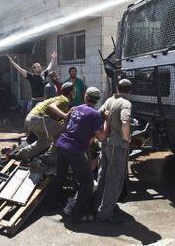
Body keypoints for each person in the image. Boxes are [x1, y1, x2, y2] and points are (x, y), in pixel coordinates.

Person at [54, 87, 106, 222]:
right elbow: (100, 137)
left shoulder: (75, 108)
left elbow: (66, 125)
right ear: (97, 100)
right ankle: (78, 215)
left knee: (60, 176)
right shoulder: (95, 115)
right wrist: (106, 121)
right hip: (74, 149)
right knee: (87, 183)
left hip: (61, 144)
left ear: (85, 96)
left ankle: (54, 204)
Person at [95, 79, 132, 222]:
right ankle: (105, 213)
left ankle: (98, 205)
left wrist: (102, 132)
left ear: (117, 88)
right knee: (114, 180)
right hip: (117, 146)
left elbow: (98, 114)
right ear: (130, 90)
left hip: (106, 144)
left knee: (103, 175)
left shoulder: (110, 100)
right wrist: (126, 138)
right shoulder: (125, 103)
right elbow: (125, 122)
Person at [14, 82, 75, 161]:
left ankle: (21, 155)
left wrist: (63, 119)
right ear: (70, 91)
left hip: (31, 119)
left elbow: (54, 118)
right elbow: (51, 106)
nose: (75, 92)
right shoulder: (64, 99)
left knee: (46, 141)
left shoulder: (59, 99)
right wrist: (65, 115)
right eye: (74, 90)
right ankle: (51, 158)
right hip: (38, 118)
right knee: (62, 133)